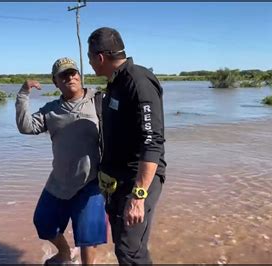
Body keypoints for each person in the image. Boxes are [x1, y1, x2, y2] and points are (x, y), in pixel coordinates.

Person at [87, 27, 167, 265]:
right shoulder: (115, 83)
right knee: (125, 246)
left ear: (100, 57)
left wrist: (139, 195)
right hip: (118, 182)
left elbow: (152, 141)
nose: (90, 63)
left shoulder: (137, 81)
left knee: (130, 251)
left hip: (137, 181)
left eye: (90, 57)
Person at [15, 57, 106, 265]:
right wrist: (23, 94)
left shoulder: (99, 101)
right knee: (43, 222)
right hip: (60, 180)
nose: (70, 77)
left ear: (80, 76)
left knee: (87, 236)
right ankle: (64, 253)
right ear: (55, 82)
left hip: (92, 182)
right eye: (63, 75)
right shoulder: (51, 110)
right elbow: (26, 127)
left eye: (73, 73)